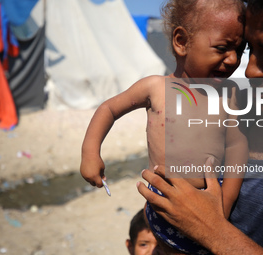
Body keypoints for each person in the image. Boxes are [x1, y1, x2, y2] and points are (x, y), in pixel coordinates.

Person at [137, 0, 263, 254]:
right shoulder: (231, 105)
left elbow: (201, 219)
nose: (251, 70)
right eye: (250, 49)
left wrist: (213, 231)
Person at [80, 0, 247, 253]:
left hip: (210, 209)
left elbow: (237, 146)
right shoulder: (155, 88)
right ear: (182, 42)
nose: (233, 59)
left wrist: (223, 206)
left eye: (240, 50)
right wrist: (90, 153)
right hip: (163, 209)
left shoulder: (229, 95)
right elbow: (109, 109)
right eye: (222, 48)